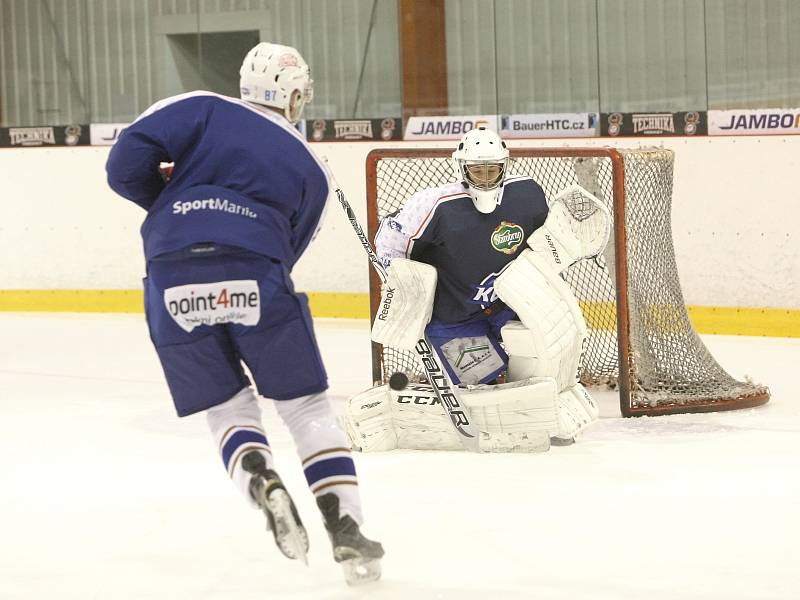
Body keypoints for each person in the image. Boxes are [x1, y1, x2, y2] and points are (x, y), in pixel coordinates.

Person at [105, 42, 383, 585]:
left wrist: (171, 206)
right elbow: (288, 250)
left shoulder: (201, 105)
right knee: (304, 408)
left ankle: (261, 479)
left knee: (228, 408)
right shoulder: (314, 167)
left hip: (170, 271)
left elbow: (123, 163)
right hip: (254, 269)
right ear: (296, 94)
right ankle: (346, 527)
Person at [346, 127, 610, 452]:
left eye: (492, 169)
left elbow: (546, 246)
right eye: (477, 170)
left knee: (547, 356)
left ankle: (546, 411)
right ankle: (506, 406)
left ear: (505, 165)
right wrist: (399, 279)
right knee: (485, 387)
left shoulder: (527, 194)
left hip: (509, 303)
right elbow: (389, 239)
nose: (485, 178)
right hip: (454, 314)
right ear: (462, 168)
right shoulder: (435, 205)